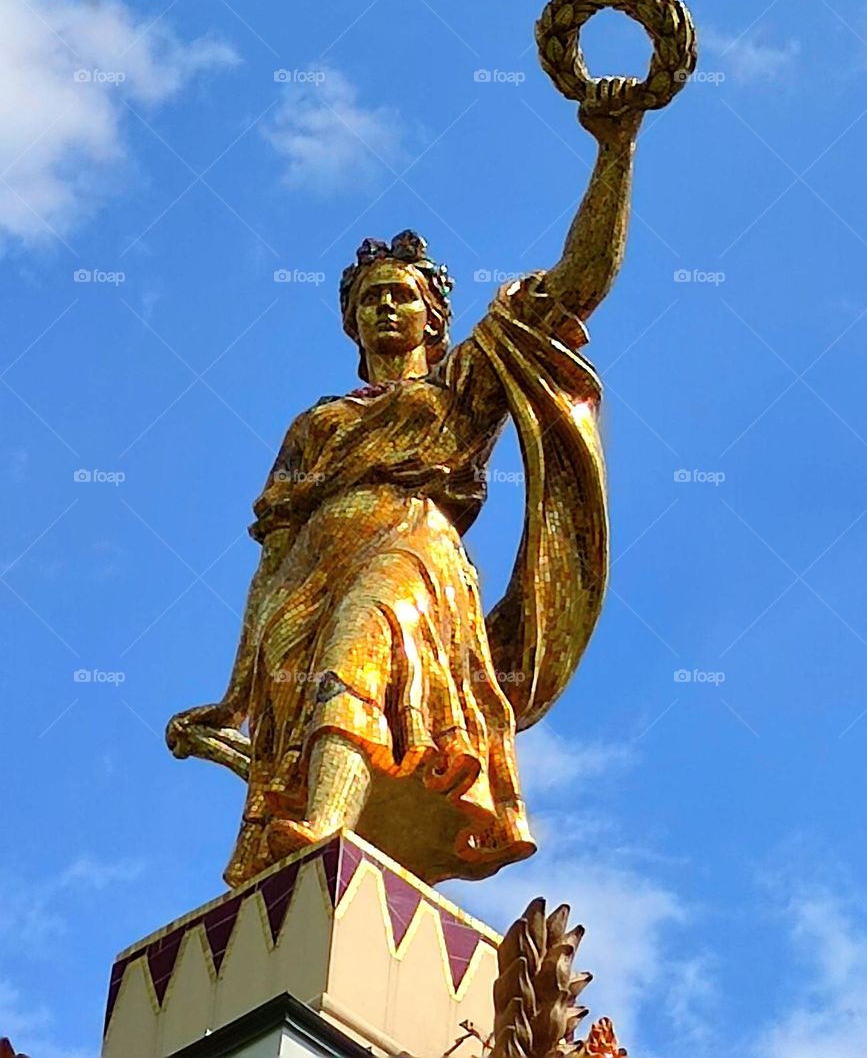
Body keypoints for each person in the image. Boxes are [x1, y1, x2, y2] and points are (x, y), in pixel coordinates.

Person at [167, 82, 643, 888]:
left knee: (368, 635)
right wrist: (235, 692)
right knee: (312, 696)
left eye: (403, 296)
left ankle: (323, 829)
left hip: (412, 548)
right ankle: (311, 843)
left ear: (435, 316)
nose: (387, 307)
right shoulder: (315, 424)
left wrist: (615, 149)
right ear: (352, 324)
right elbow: (272, 554)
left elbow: (578, 281)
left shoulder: (461, 383)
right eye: (370, 299)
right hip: (306, 578)